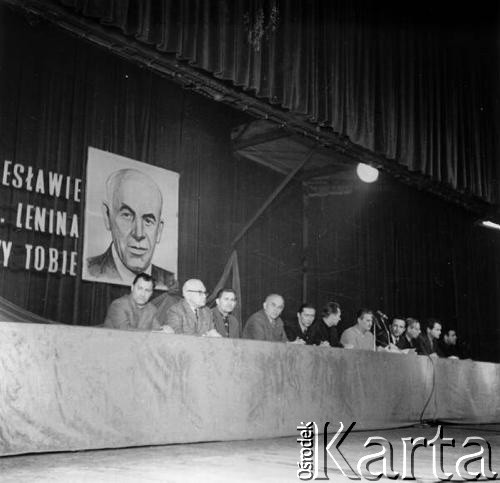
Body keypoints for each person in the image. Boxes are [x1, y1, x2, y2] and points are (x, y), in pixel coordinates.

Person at [87, 168, 176, 291]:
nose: (138, 233)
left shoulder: (170, 281)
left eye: (148, 220)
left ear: (159, 230)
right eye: (127, 215)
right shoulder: (90, 269)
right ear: (108, 216)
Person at [103, 273, 173, 332]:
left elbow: (157, 329)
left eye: (147, 290)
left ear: (151, 293)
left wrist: (164, 330)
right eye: (140, 288)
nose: (142, 294)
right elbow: (125, 331)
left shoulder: (152, 309)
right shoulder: (118, 305)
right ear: (132, 288)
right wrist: (154, 332)